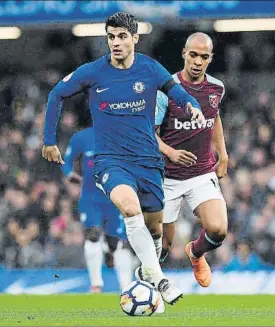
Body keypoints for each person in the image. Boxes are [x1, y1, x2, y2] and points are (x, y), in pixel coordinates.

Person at [42, 12, 205, 304]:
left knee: (155, 227)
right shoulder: (93, 72)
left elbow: (177, 92)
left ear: (134, 38)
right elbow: (56, 94)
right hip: (110, 162)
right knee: (130, 209)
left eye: (121, 36)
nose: (115, 43)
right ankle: (160, 281)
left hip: (148, 162)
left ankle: (148, 271)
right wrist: (48, 141)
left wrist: (192, 105)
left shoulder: (150, 68)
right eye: (110, 37)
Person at [153, 32, 229, 287]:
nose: (197, 61)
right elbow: (149, 133)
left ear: (210, 59)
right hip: (167, 177)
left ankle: (196, 253)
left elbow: (214, 117)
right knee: (162, 246)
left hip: (201, 173)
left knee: (218, 230)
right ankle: (150, 283)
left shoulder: (216, 88)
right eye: (193, 55)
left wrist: (223, 153)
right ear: (184, 54)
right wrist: (171, 152)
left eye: (204, 57)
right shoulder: (166, 89)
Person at [62, 126, 133, 292]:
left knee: (118, 244)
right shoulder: (82, 137)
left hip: (116, 198)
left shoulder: (124, 134)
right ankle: (96, 285)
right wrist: (69, 174)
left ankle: (127, 287)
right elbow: (67, 160)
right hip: (91, 198)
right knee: (92, 236)